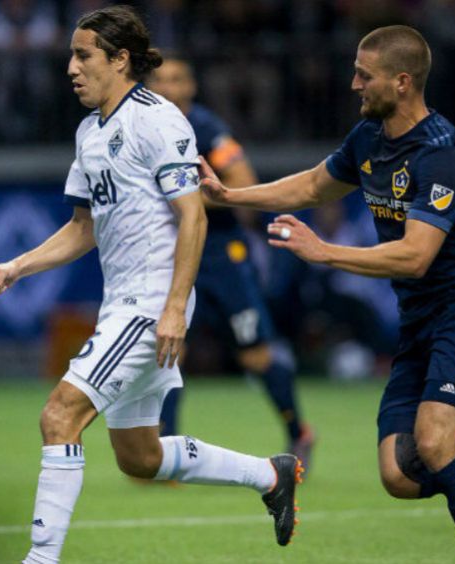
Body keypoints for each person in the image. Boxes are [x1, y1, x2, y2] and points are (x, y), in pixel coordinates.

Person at [201, 25, 455, 563]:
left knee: (434, 446)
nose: (353, 84)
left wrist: (326, 252)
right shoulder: (368, 137)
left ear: (403, 82)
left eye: (365, 75)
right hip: (419, 319)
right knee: (401, 475)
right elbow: (315, 185)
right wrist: (229, 196)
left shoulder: (442, 153)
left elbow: (415, 256)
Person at [0, 7, 301, 563]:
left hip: (150, 305)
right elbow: (83, 228)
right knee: (140, 457)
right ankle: (270, 475)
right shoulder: (89, 132)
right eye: (71, 56)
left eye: (84, 56)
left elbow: (193, 216)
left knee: (59, 415)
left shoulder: (160, 120)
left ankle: (39, 560)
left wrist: (173, 308)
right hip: (121, 306)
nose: (72, 68)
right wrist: (18, 266)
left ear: (120, 59)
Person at [146, 55, 316, 467]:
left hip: (222, 256)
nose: (169, 87)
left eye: (178, 79)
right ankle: (165, 450)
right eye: (161, 80)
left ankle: (299, 432)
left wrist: (177, 196)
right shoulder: (144, 131)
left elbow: (243, 184)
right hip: (173, 253)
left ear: (191, 87)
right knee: (171, 349)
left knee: (254, 354)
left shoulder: (207, 130)